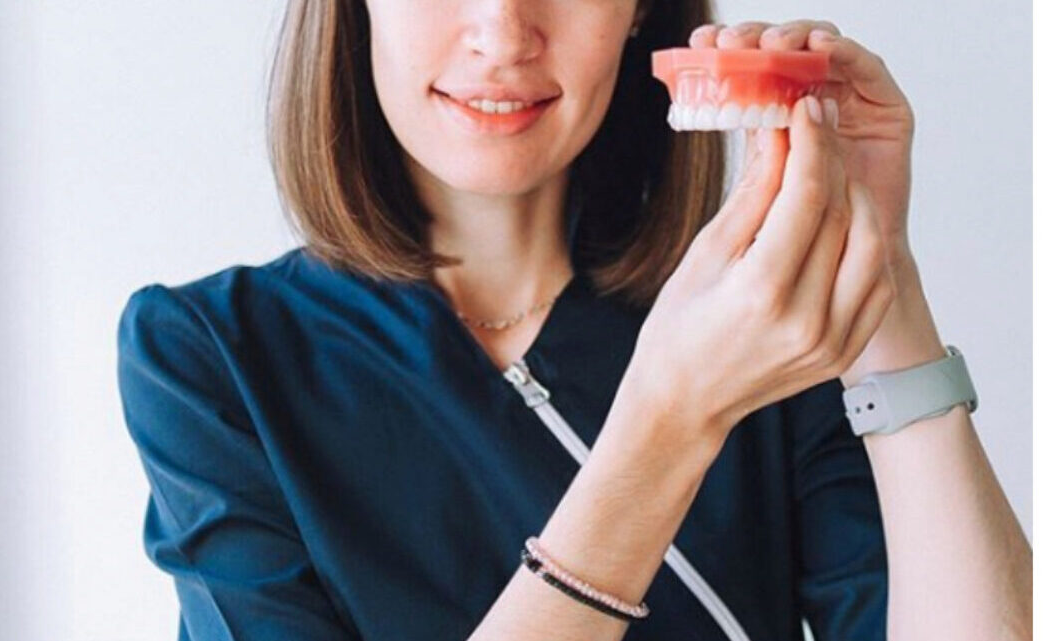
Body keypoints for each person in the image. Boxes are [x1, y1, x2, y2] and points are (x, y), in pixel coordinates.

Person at [115, 1, 1032, 639]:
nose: (503, 32)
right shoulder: (211, 359)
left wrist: (879, 269)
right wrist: (670, 423)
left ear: (639, 11)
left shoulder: (760, 322)